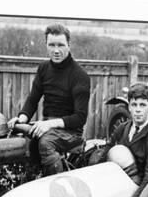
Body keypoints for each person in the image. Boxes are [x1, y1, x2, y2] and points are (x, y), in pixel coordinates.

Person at [7, 24, 90, 175]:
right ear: (46, 45)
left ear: (68, 45)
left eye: (60, 45)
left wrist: (49, 124)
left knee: (45, 142)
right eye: (51, 45)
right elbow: (33, 99)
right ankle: (26, 180)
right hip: (46, 126)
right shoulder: (44, 68)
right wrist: (21, 118)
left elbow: (80, 117)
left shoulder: (80, 75)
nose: (56, 50)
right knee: (15, 137)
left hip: (70, 132)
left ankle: (57, 186)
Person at [104, 83, 148, 197]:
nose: (138, 109)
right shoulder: (123, 128)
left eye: (142, 105)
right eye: (134, 105)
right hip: (122, 181)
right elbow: (106, 150)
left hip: (144, 188)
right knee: (116, 152)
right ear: (129, 107)